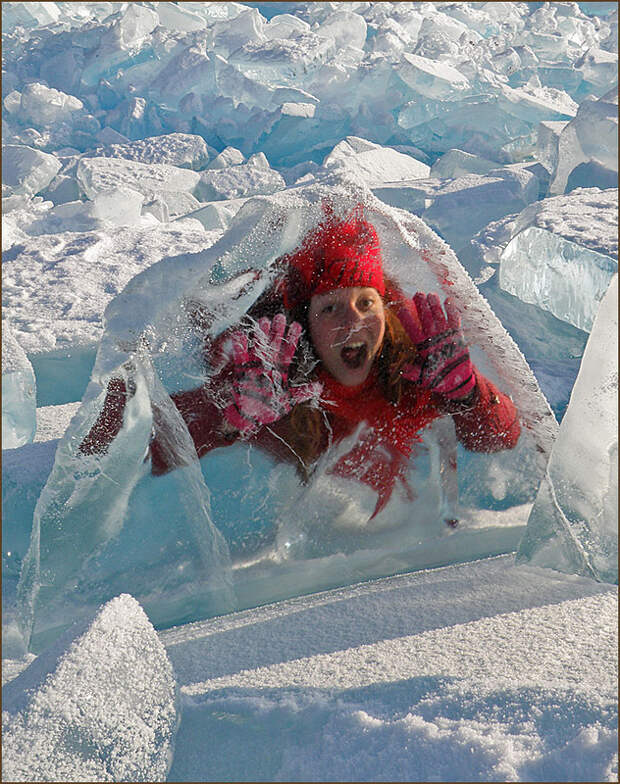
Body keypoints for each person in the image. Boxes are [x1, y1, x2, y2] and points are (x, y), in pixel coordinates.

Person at [81, 206, 520, 522]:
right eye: (330, 309)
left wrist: (470, 394)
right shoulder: (269, 379)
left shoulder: (411, 369)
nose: (354, 320)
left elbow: (502, 438)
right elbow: (117, 440)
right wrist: (224, 417)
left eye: (366, 302)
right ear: (305, 323)